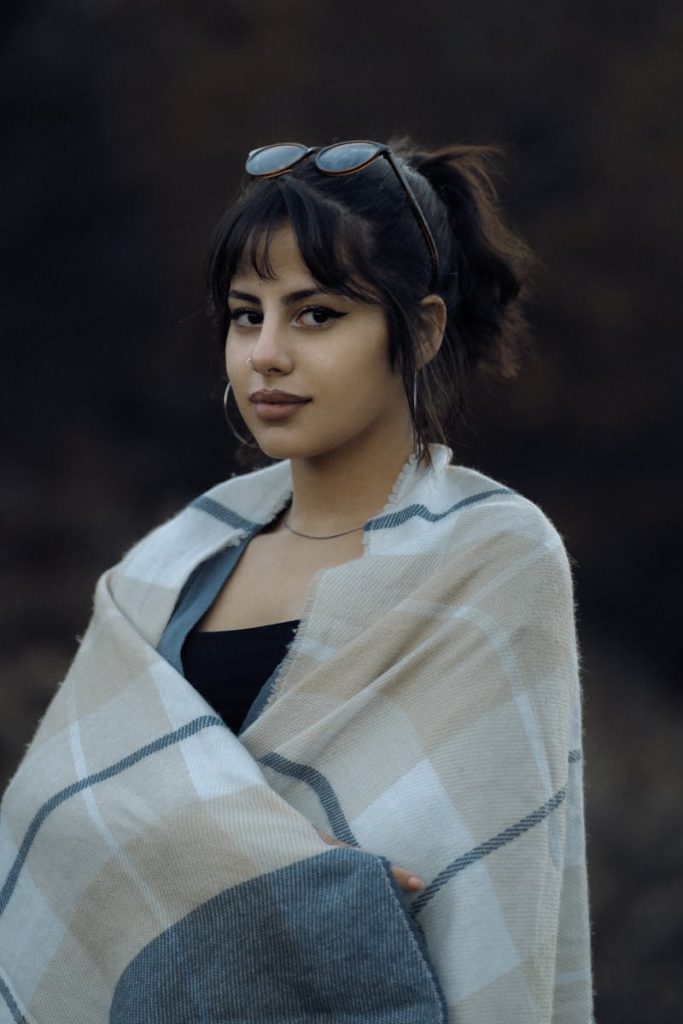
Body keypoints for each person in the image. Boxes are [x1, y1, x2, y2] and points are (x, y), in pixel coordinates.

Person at [0, 140, 593, 1023]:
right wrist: (275, 873)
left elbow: (489, 880)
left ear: (421, 330)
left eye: (315, 315)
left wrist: (311, 894)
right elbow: (58, 824)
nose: (266, 355)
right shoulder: (162, 574)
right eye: (246, 315)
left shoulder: (494, 561)